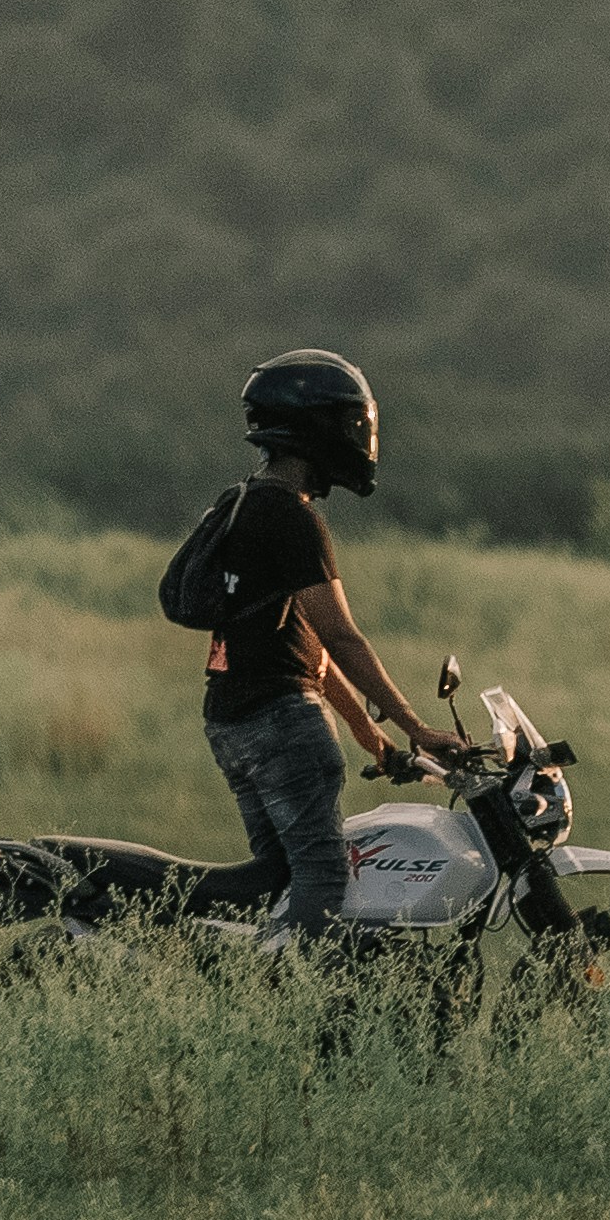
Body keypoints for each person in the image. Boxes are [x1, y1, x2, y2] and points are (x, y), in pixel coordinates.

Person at [159, 348, 434, 940]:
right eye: (352, 424)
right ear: (320, 430)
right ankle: (290, 990)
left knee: (275, 877)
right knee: (322, 878)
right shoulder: (292, 518)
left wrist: (372, 736)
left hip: (233, 718)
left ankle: (244, 970)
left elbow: (306, 646)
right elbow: (339, 633)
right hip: (282, 723)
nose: (361, 438)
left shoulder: (244, 503)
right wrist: (419, 726)